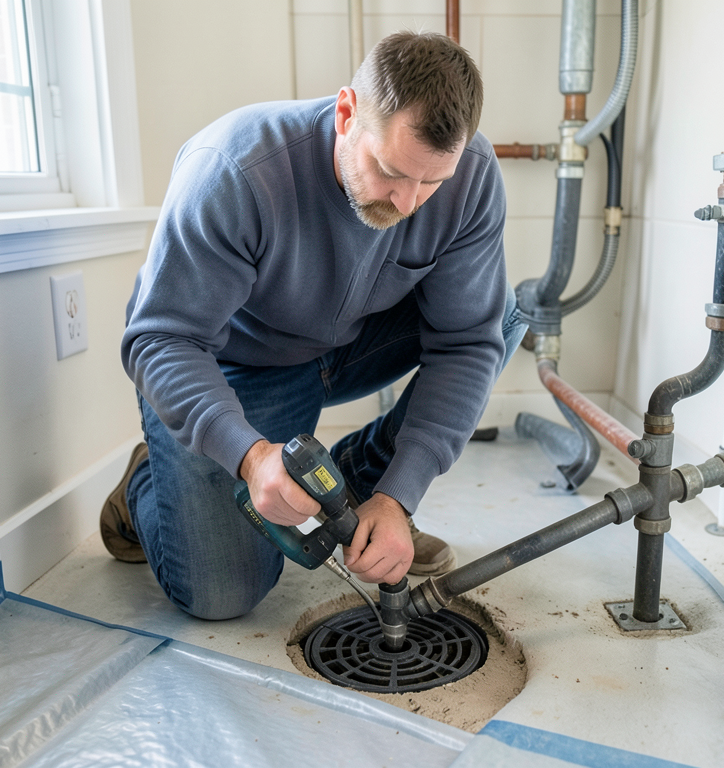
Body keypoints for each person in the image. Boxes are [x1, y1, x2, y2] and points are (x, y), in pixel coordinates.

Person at [101, 31, 527, 620]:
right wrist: (250, 457)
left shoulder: (471, 176)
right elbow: (160, 339)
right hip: (240, 364)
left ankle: (352, 487)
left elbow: (465, 345)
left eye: (432, 183)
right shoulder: (235, 169)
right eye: (389, 171)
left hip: (354, 341)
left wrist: (398, 498)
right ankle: (150, 481)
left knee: (498, 315)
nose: (408, 203)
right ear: (347, 112)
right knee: (222, 596)